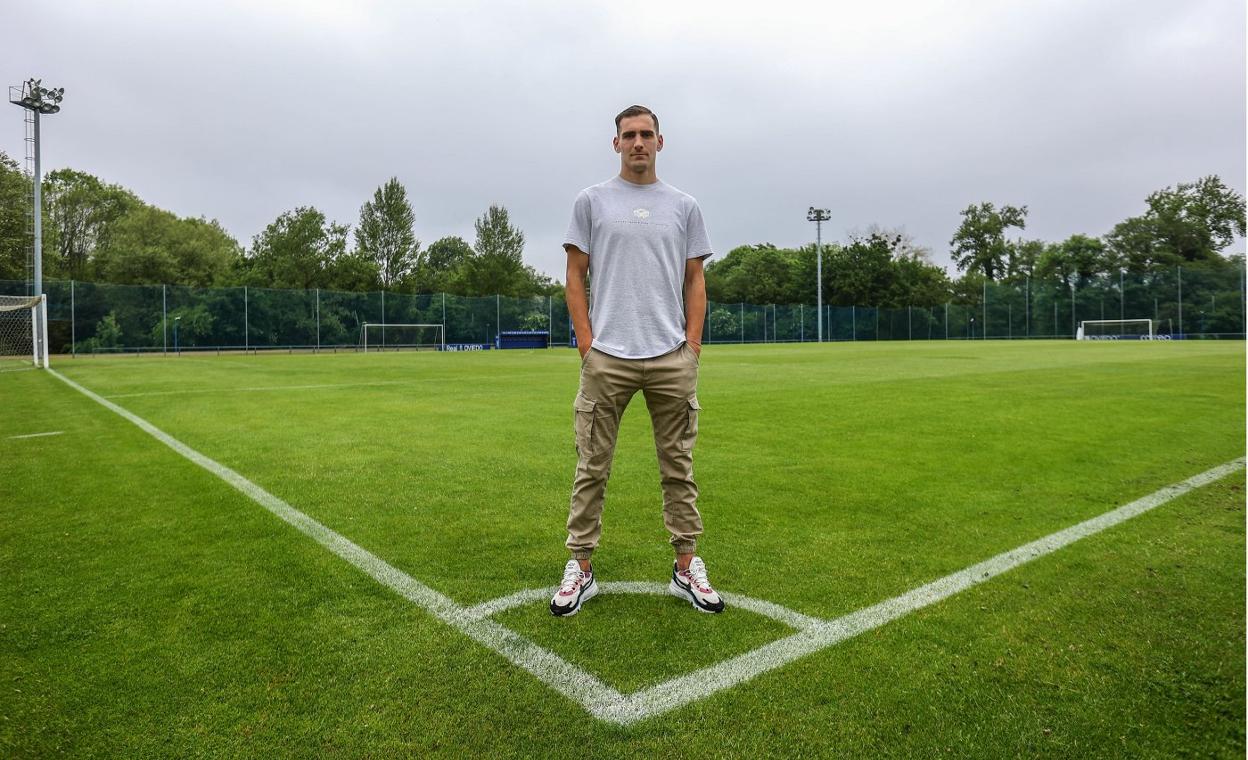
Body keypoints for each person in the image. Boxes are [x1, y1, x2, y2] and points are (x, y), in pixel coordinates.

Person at [550, 104, 724, 617]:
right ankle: (580, 567)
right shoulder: (591, 202)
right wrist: (587, 345)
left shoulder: (684, 206)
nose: (638, 143)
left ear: (661, 142)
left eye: (647, 134)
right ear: (616, 143)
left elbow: (696, 278)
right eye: (629, 135)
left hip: (671, 356)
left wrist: (692, 347)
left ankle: (685, 566)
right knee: (592, 467)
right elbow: (574, 275)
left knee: (679, 468)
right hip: (608, 358)